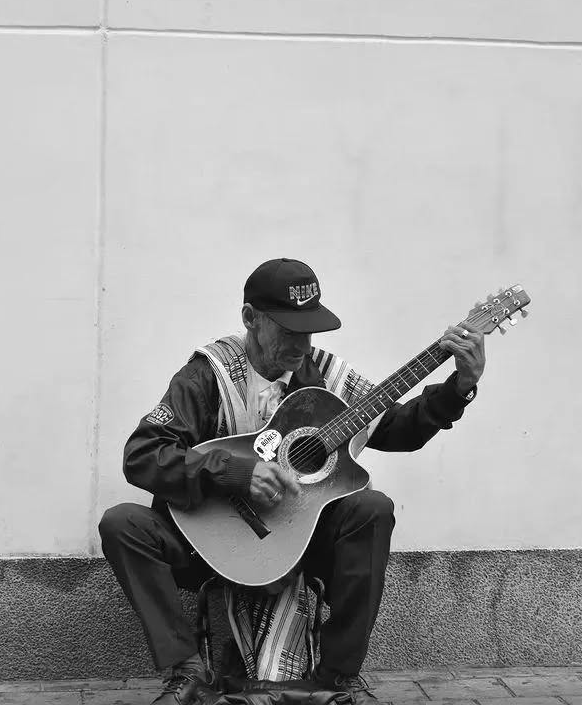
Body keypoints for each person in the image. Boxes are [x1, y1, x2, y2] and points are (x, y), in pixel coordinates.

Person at [99, 258, 486, 705]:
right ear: (250, 319)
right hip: (209, 545)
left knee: (372, 508)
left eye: (310, 330)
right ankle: (187, 671)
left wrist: (459, 386)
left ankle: (336, 677)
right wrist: (235, 473)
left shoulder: (326, 375)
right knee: (121, 523)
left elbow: (397, 428)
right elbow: (143, 455)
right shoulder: (207, 373)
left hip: (298, 542)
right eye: (289, 330)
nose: (303, 344)